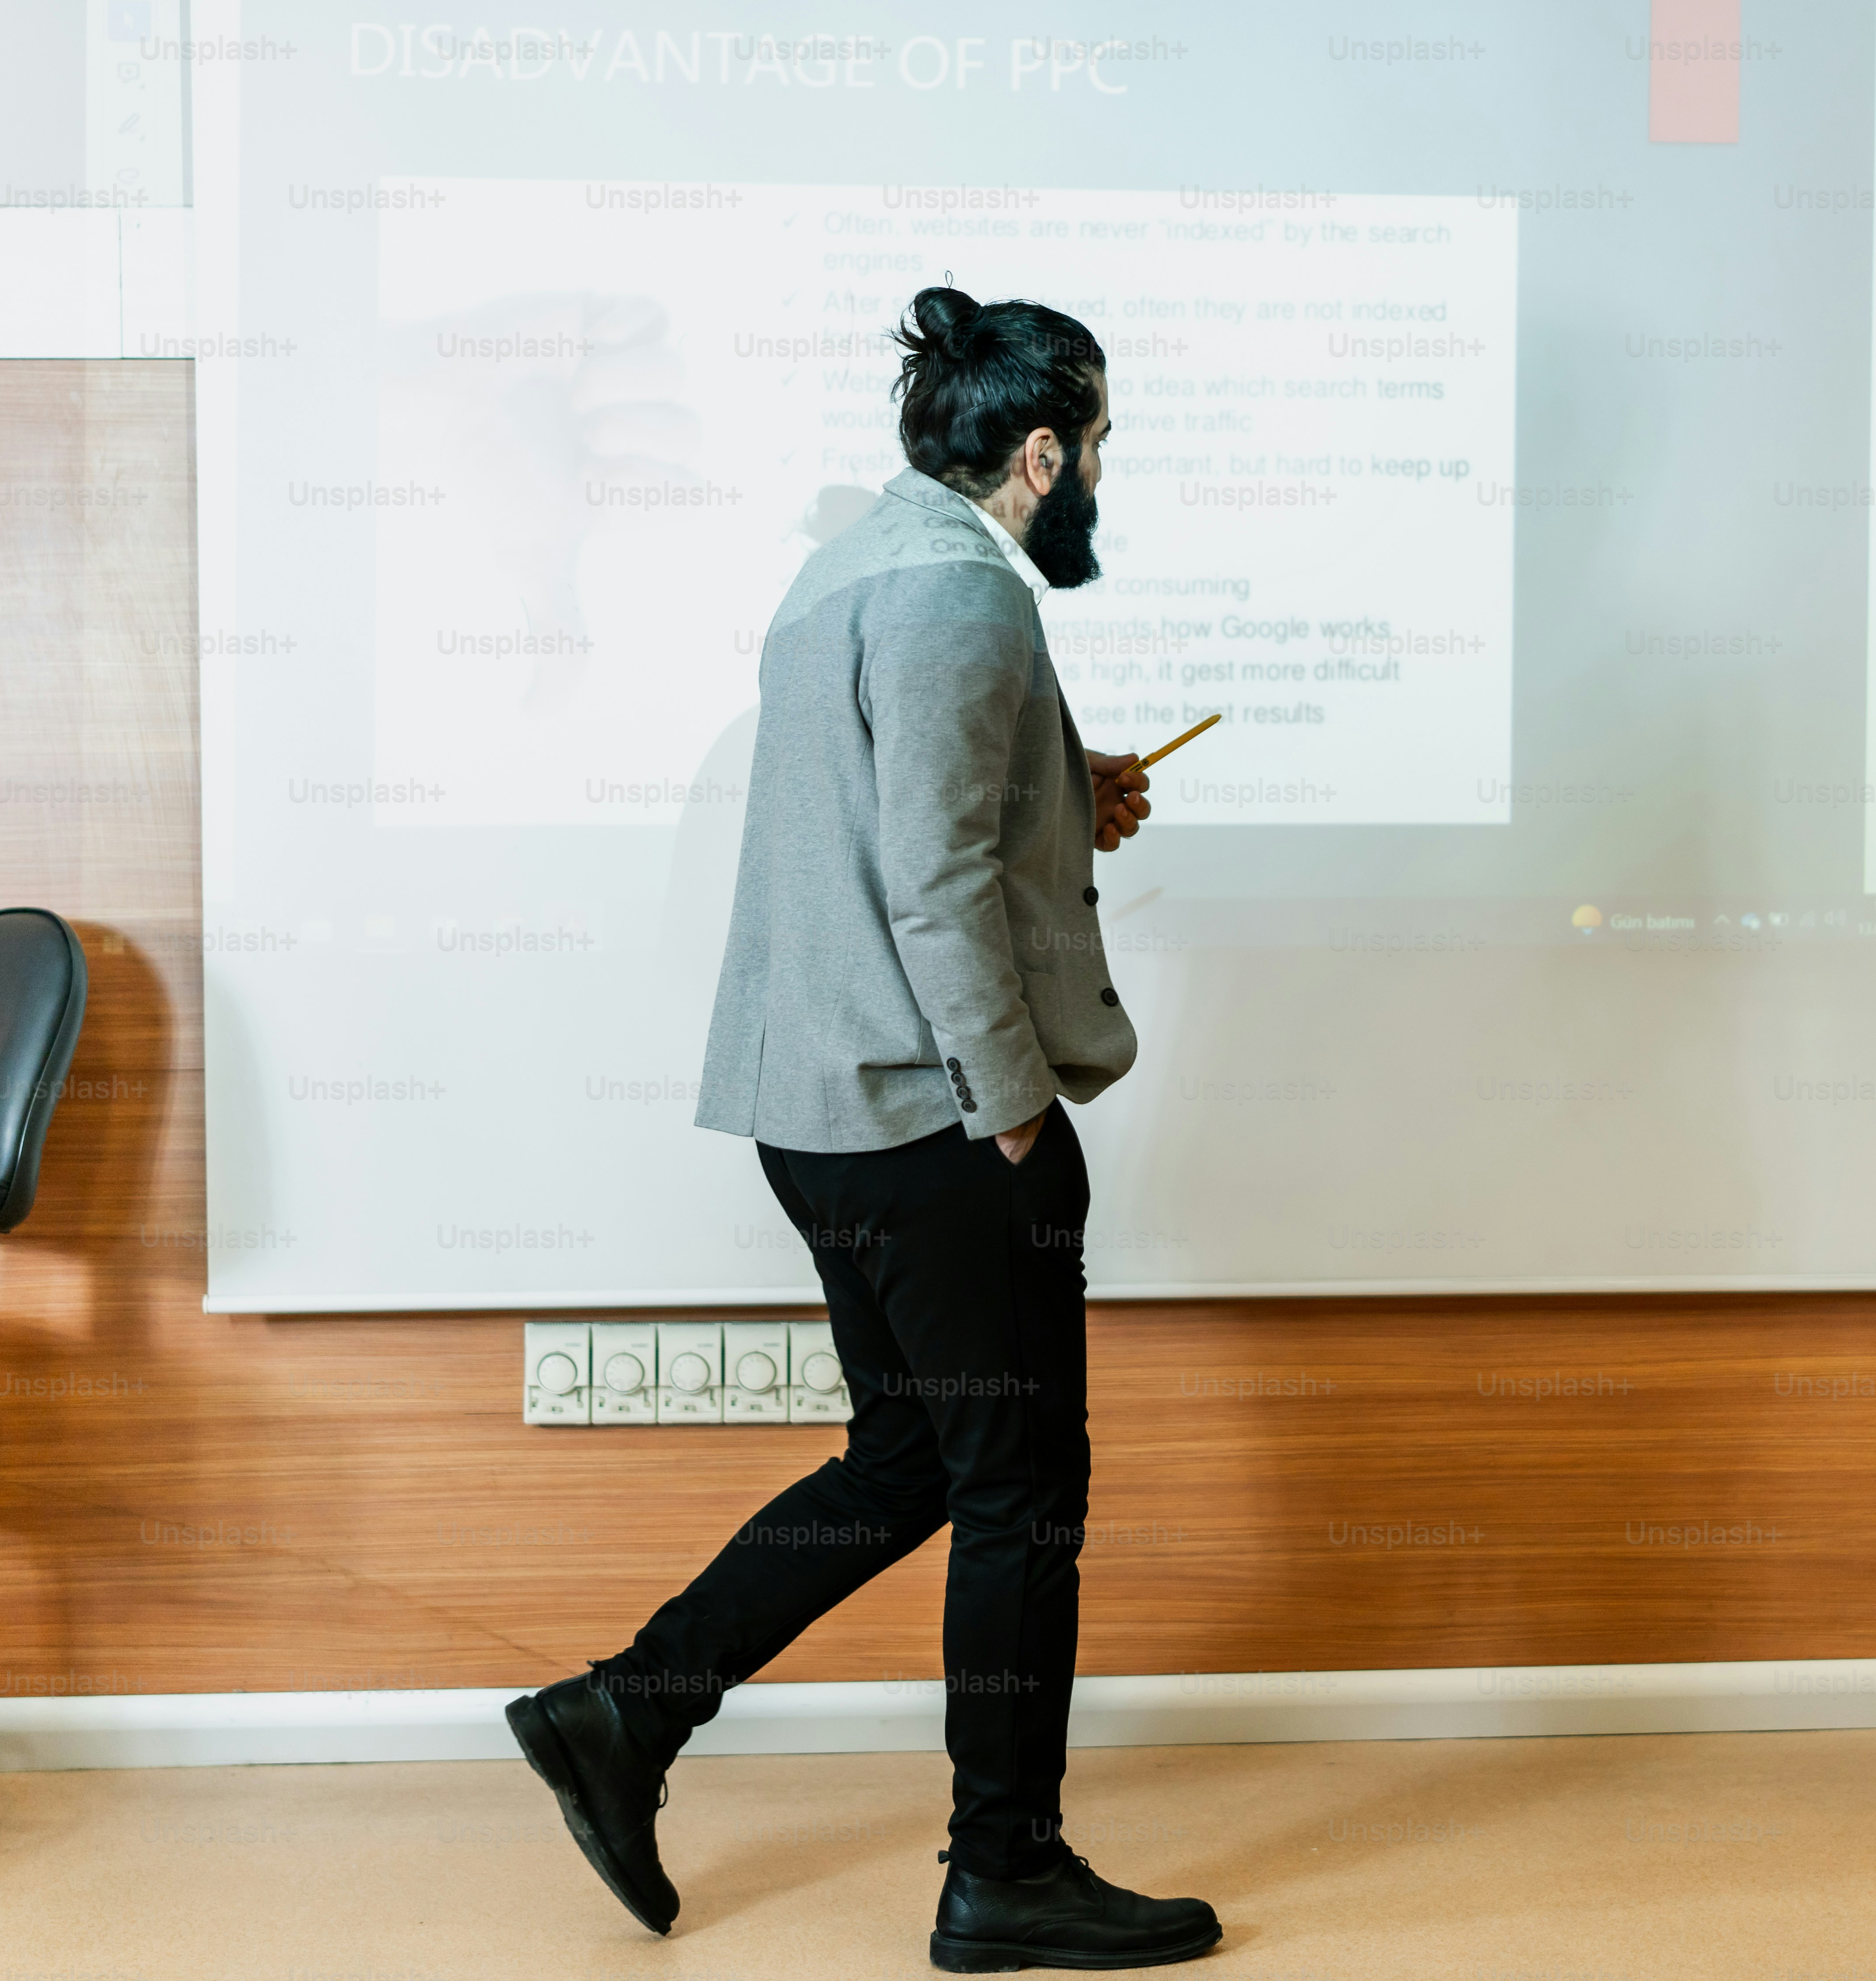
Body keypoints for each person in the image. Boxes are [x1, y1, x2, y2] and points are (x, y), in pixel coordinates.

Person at [507, 285, 1223, 1972]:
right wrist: (1018, 1114)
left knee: (911, 1457)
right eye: (1100, 443)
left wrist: (1068, 774)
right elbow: (934, 881)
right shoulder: (966, 599)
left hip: (821, 1110)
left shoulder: (850, 569)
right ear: (1042, 450)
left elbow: (898, 804)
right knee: (1024, 1488)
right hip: (935, 1119)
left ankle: (627, 1712)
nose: (1105, 469)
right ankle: (1006, 1868)